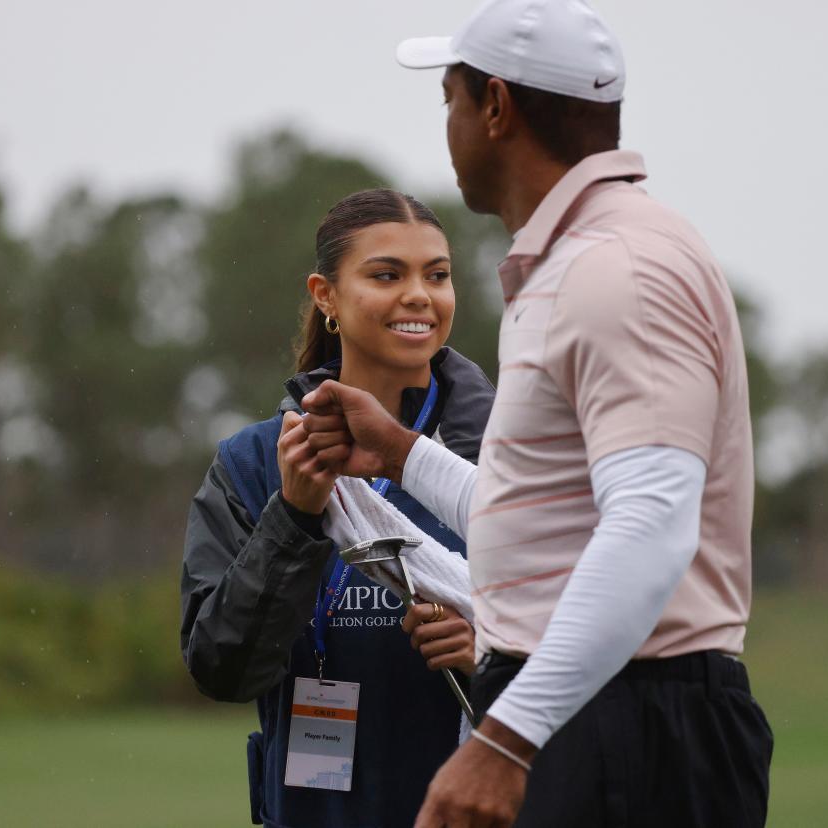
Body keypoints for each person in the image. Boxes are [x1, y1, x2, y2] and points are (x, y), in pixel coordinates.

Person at [298, 1, 773, 826]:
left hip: (628, 718)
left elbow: (651, 522)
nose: (445, 126)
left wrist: (505, 739)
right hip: (596, 707)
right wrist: (404, 454)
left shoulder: (616, 268)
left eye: (448, 97)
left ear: (494, 108)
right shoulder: (580, 260)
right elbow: (553, 524)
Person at [179, 188, 495, 828]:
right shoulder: (254, 461)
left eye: (437, 275)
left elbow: (592, 646)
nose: (419, 295)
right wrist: (293, 516)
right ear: (325, 295)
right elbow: (221, 666)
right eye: (387, 274)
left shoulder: (506, 456)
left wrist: (490, 654)